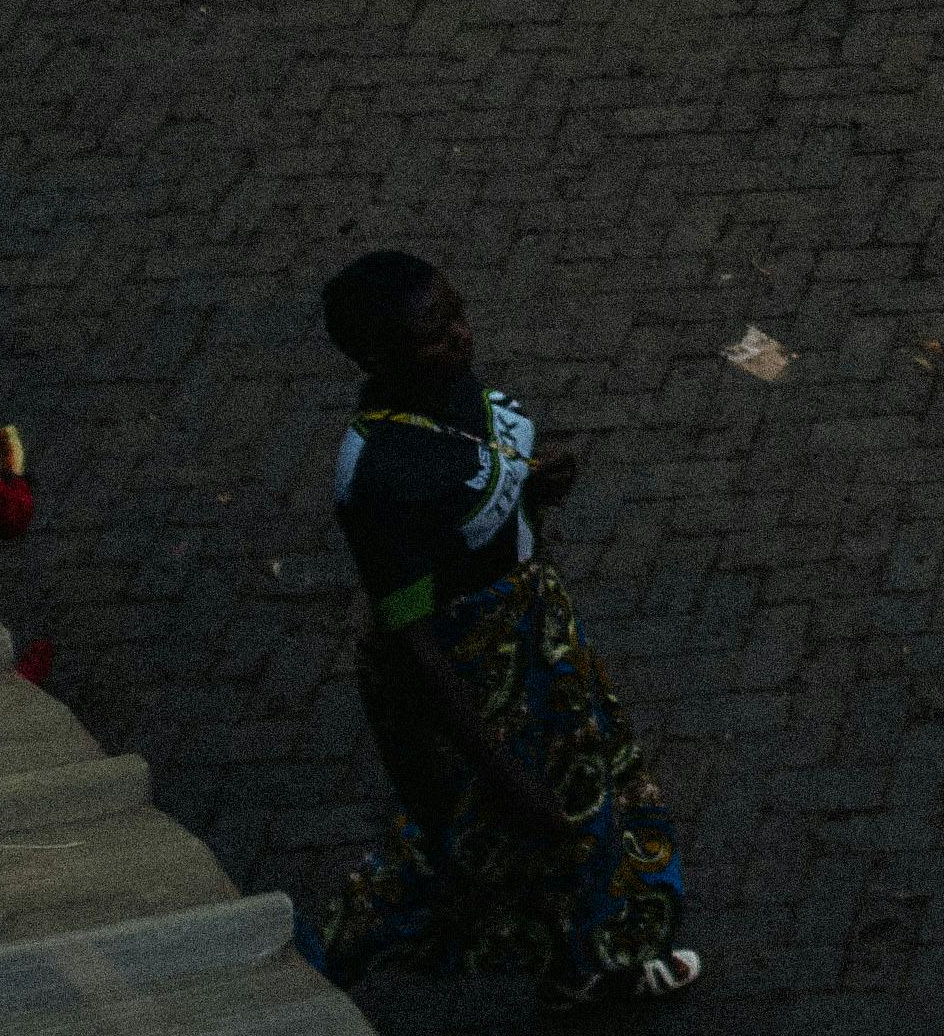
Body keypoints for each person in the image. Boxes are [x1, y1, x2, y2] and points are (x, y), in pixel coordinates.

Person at [300, 252, 706, 1013]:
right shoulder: (382, 476)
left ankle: (594, 963)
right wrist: (503, 775)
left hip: (534, 638)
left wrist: (533, 490)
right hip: (468, 681)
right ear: (376, 357)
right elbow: (410, 638)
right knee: (464, 848)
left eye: (457, 315)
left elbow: (479, 506)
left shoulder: (450, 392)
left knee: (591, 804)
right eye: (436, 334)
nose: (461, 338)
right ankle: (305, 972)